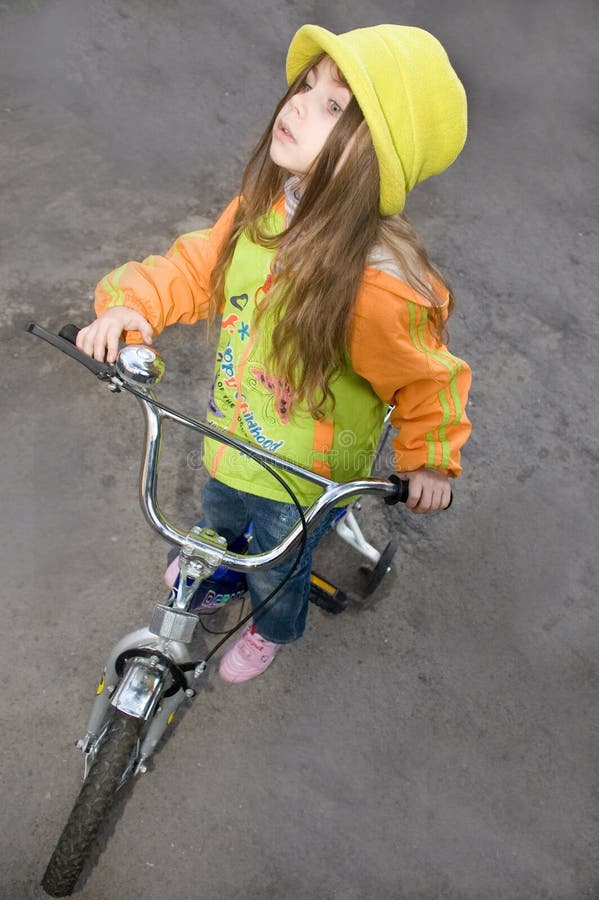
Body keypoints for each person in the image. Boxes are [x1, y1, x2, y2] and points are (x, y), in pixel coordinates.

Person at [76, 24, 472, 684]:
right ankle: (225, 570)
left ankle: (271, 626)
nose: (294, 106)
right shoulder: (263, 213)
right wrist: (133, 305)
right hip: (234, 432)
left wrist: (429, 461)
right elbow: (198, 265)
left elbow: (427, 378)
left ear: (377, 153)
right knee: (219, 513)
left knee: (282, 564)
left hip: (306, 478)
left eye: (333, 106)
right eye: (305, 87)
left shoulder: (375, 289)